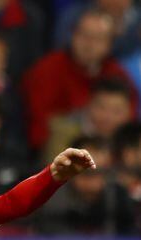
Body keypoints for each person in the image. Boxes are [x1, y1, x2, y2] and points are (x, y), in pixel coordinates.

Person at [22, 8, 136, 148]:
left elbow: (131, 121)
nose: (89, 44)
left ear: (110, 44)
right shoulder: (48, 69)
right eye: (84, 35)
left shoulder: (117, 74)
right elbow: (38, 127)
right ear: (72, 35)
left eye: (98, 38)